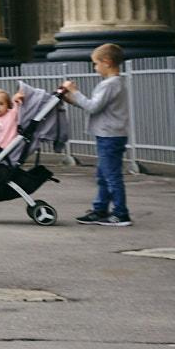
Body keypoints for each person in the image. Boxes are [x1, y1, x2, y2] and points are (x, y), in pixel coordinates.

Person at [61, 44, 133, 226]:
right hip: (109, 134)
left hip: (109, 135)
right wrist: (72, 99)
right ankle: (100, 209)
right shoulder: (115, 83)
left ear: (106, 62)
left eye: (95, 63)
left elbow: (93, 106)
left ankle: (120, 213)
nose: (95, 67)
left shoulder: (109, 84)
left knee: (111, 176)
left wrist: (74, 92)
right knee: (103, 175)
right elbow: (94, 106)